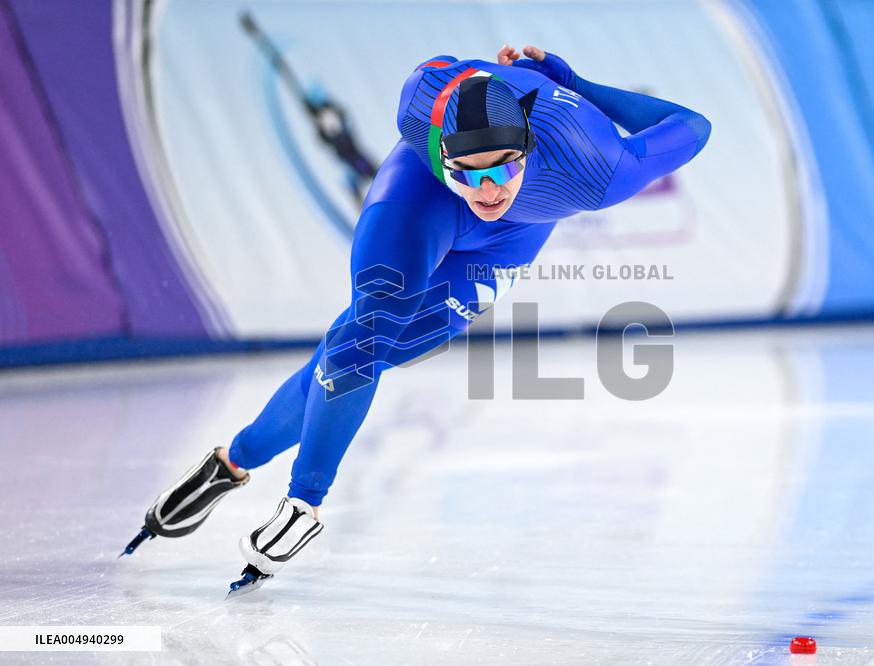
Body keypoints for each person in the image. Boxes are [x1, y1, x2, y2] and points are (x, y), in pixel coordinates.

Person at [123, 45, 711, 594]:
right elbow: (443, 95)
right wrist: (450, 175)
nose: (486, 189)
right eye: (469, 171)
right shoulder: (421, 106)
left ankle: (231, 462)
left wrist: (577, 84)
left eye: (501, 168)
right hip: (420, 200)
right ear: (442, 150)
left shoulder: (595, 163)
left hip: (510, 241)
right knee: (362, 342)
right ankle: (303, 506)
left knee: (364, 355)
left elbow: (692, 124)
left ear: (527, 149)